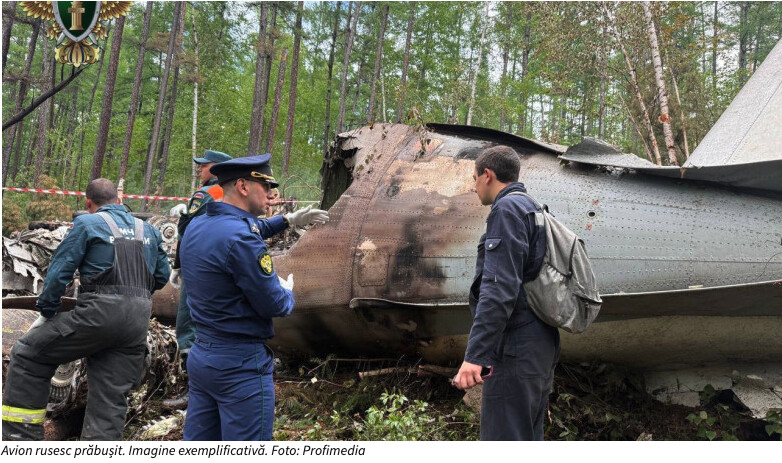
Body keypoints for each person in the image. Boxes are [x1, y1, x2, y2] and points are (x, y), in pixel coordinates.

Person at [1, 179, 170, 440]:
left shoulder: (86, 224)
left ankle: (20, 441)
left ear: (88, 203)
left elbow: (60, 271)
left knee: (27, 354)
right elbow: (161, 276)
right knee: (110, 395)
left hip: (98, 315)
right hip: (137, 322)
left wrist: (47, 309)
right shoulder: (149, 230)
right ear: (119, 201)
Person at [180, 154, 328, 440]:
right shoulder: (241, 239)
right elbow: (274, 303)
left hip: (203, 356)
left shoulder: (198, 225)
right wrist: (286, 292)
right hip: (239, 365)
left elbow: (246, 226)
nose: (272, 194)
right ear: (244, 187)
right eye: (266, 186)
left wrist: (287, 220)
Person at [451, 145, 560, 441]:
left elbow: (498, 290)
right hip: (538, 344)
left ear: (487, 175)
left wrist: (476, 355)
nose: (474, 188)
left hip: (517, 349)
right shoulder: (532, 207)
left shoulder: (507, 209)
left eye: (474, 178)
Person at [164, 149, 232, 410]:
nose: (199, 170)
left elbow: (186, 231)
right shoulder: (235, 192)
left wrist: (178, 266)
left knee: (189, 326)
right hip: (223, 267)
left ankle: (194, 392)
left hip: (199, 267)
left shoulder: (205, 193)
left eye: (203, 166)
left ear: (215, 169)